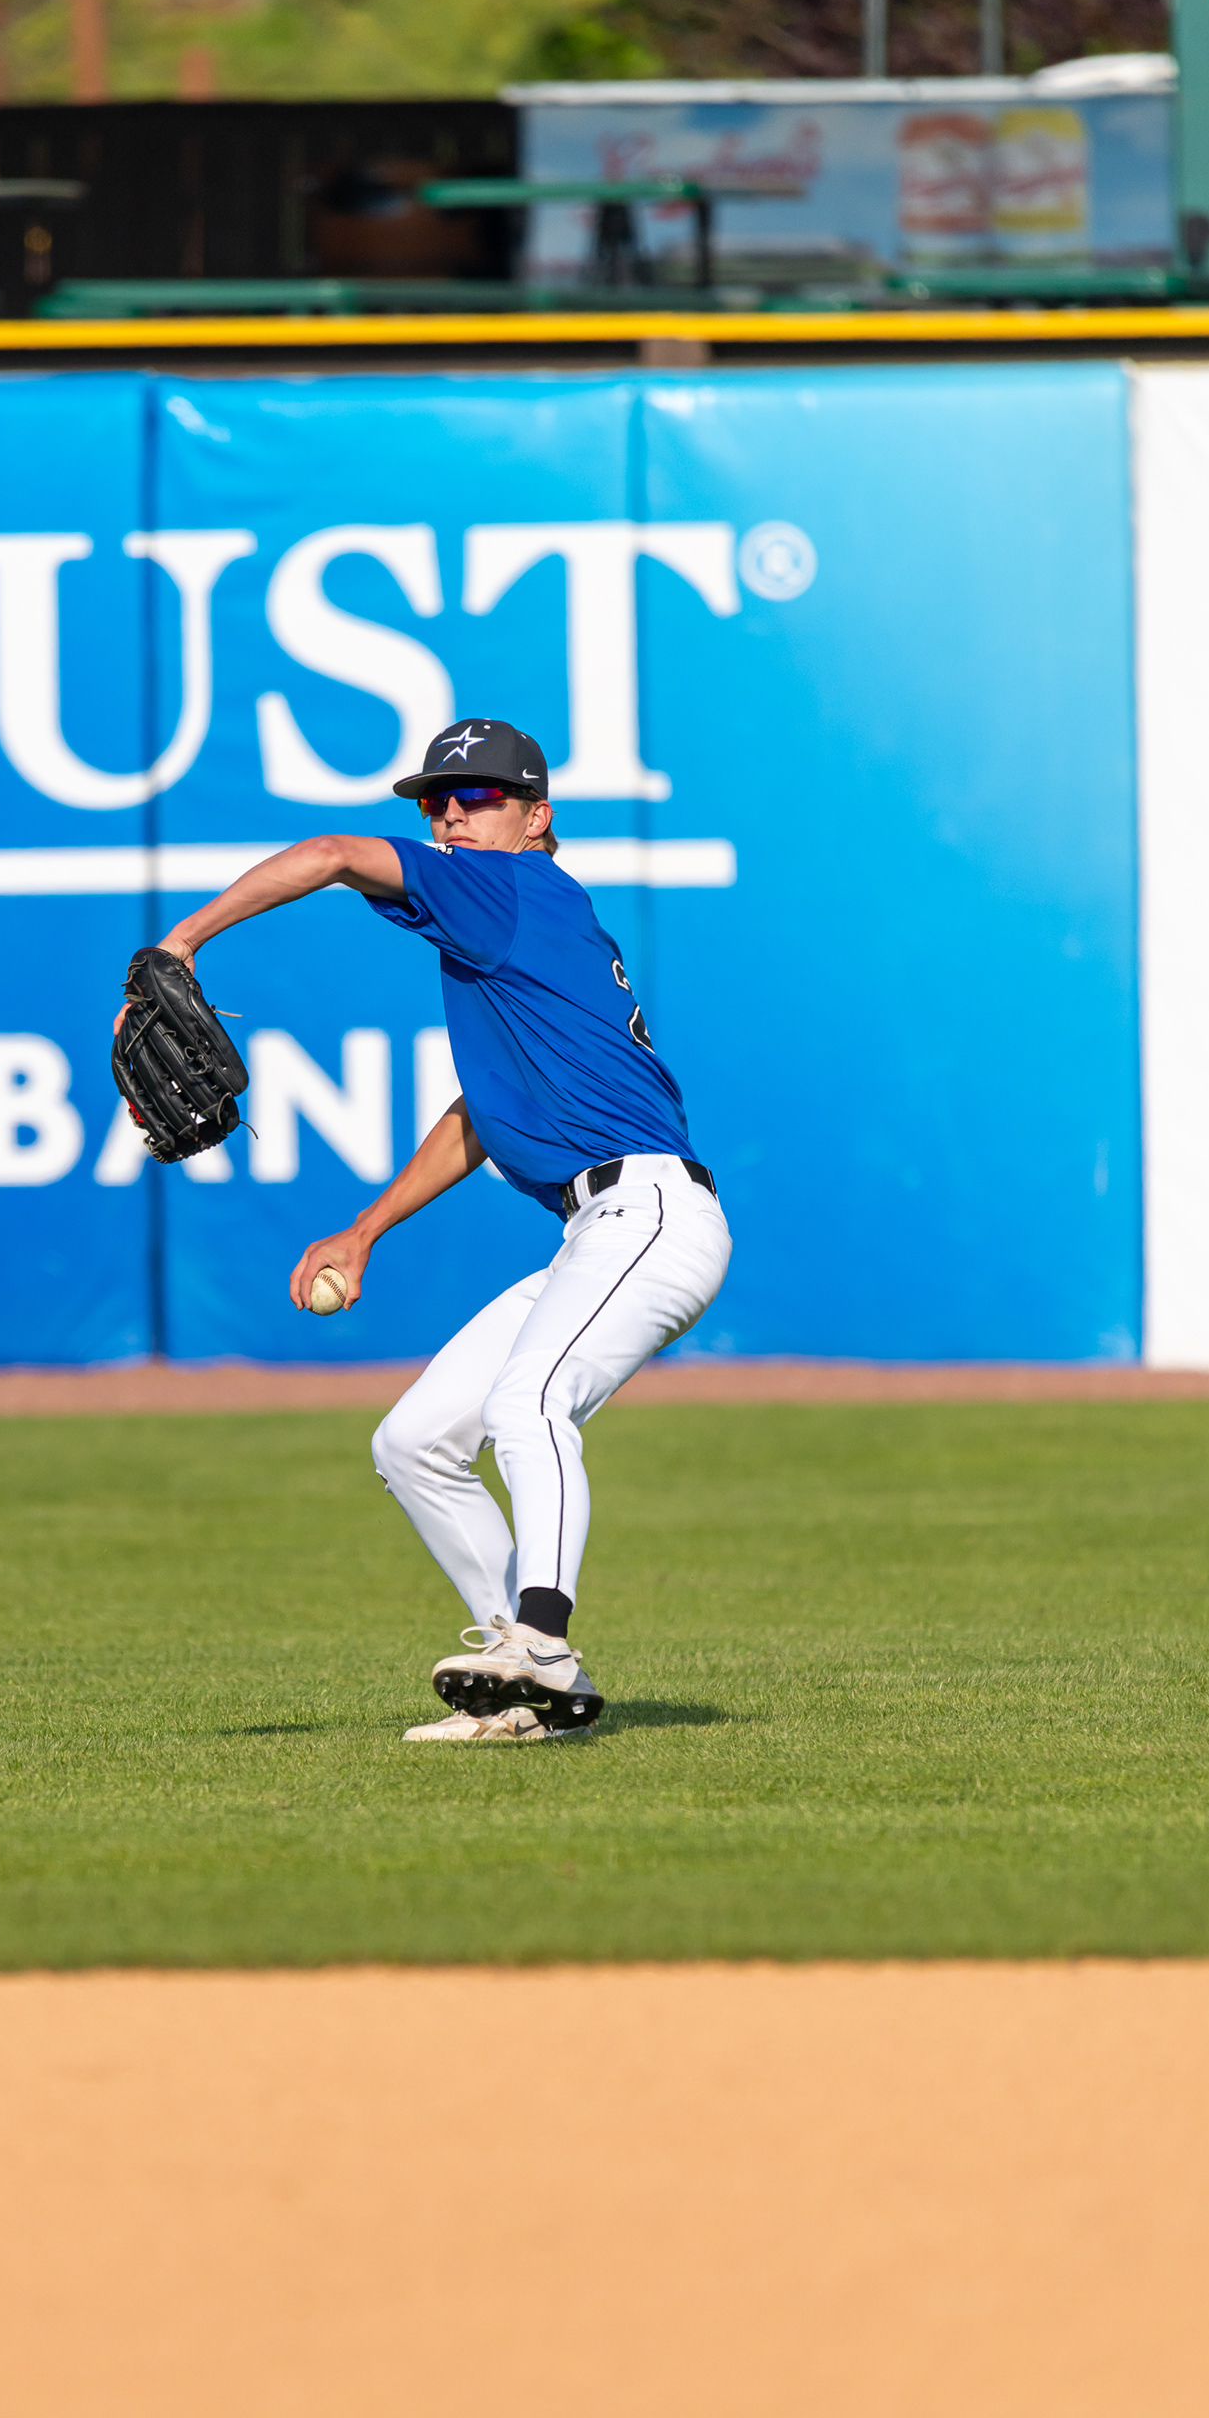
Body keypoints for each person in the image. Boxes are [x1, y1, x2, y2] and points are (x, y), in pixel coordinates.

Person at [146, 717, 731, 1746]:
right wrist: (364, 1229)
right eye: (435, 801)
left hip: (648, 1213)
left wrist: (179, 942)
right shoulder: (515, 926)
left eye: (476, 797)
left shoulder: (503, 888)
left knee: (530, 1402)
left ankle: (541, 1641)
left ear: (536, 815)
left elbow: (332, 852)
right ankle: (527, 1688)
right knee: (414, 1442)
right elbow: (480, 1118)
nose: (450, 814)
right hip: (601, 1226)